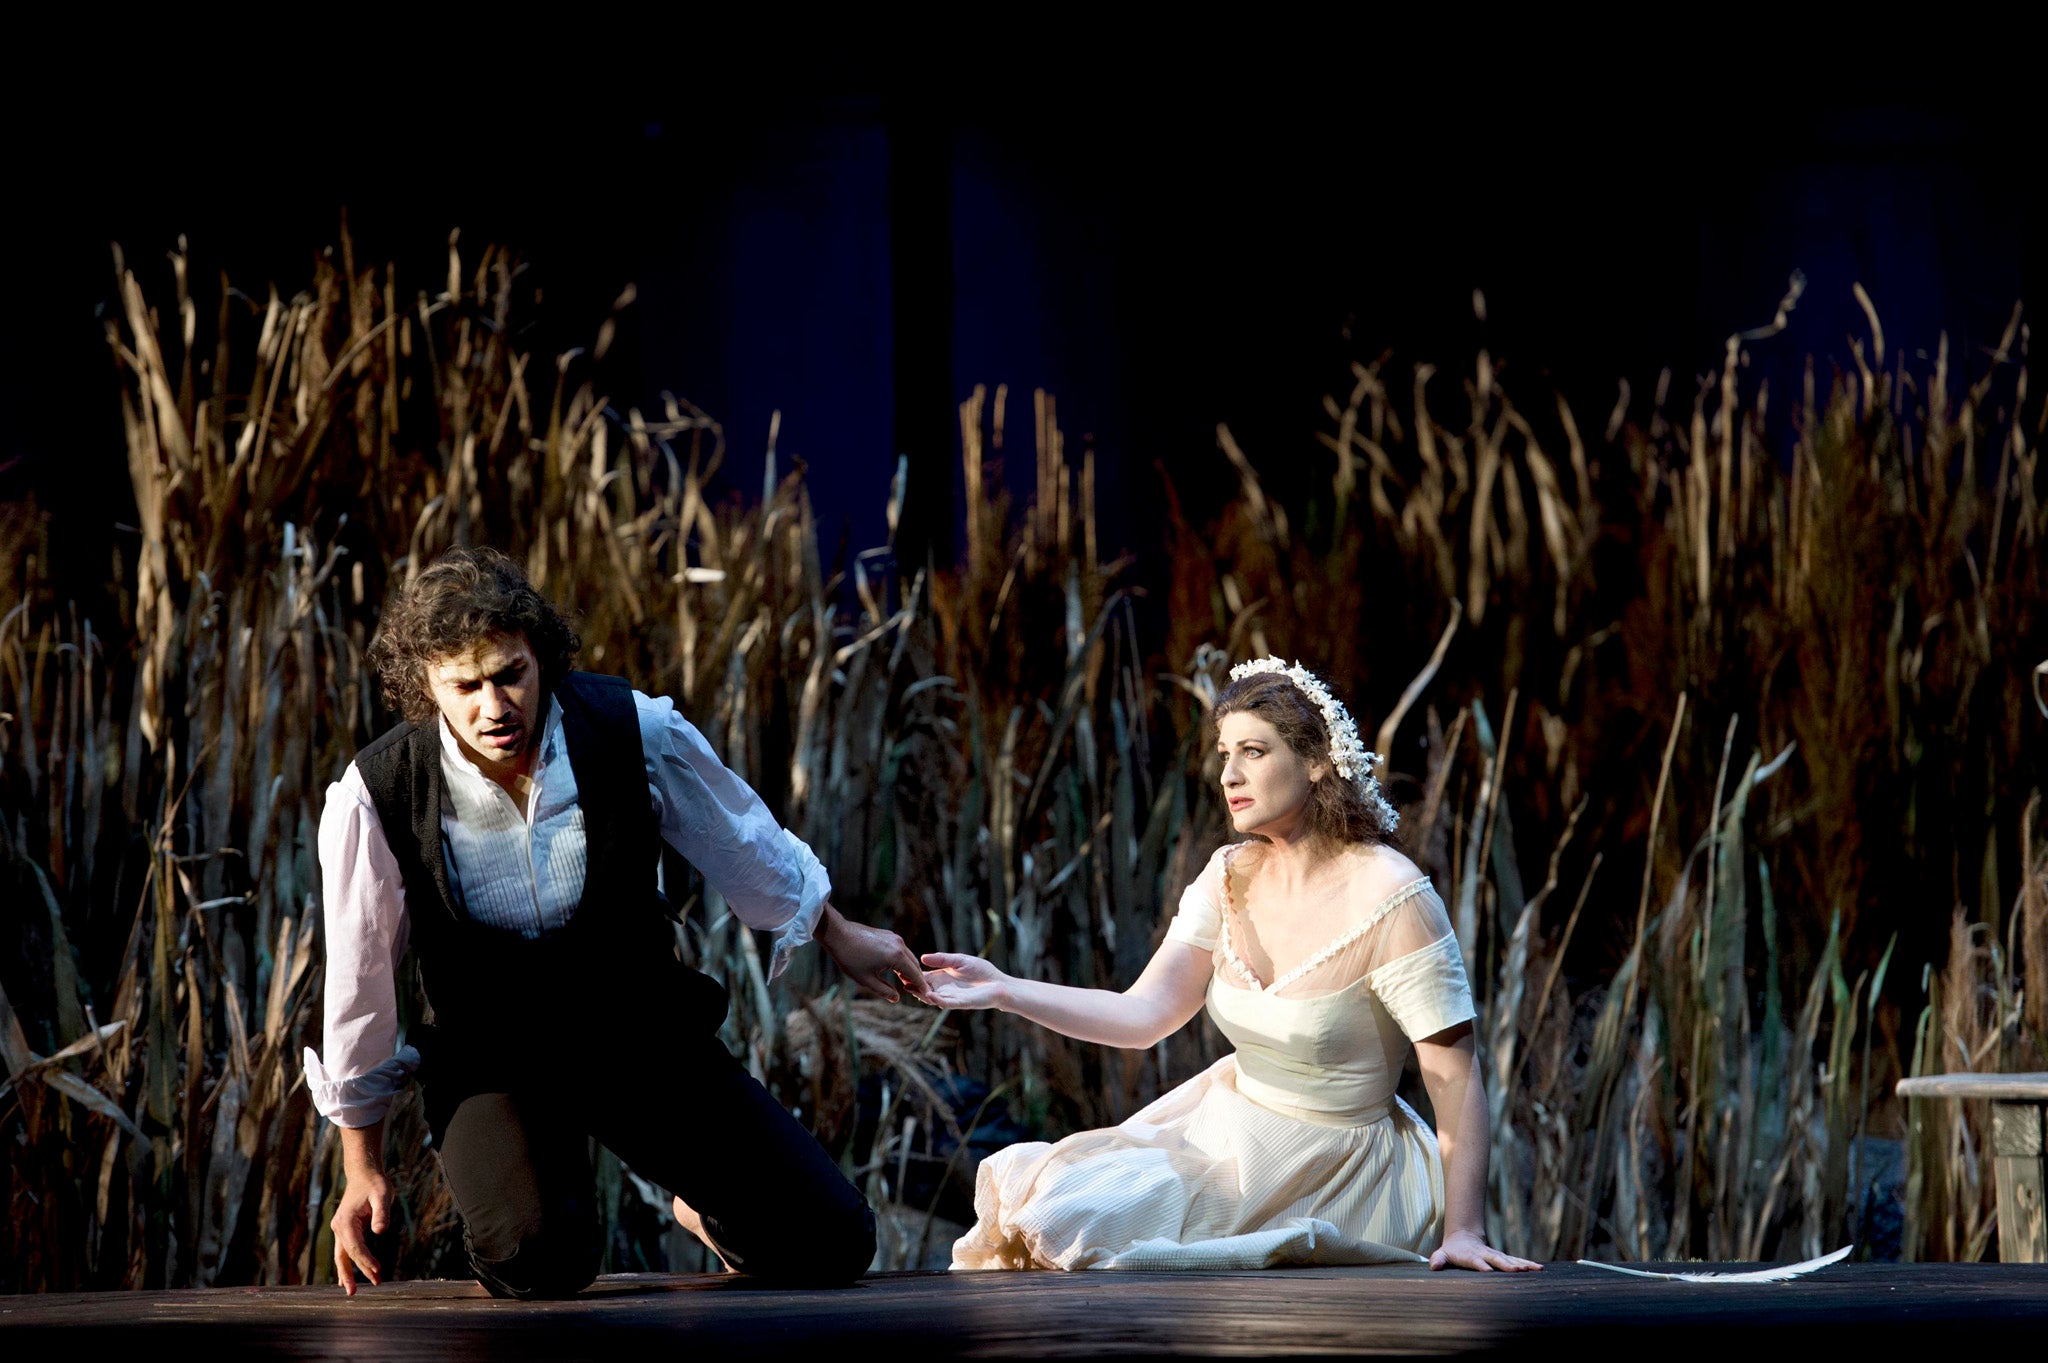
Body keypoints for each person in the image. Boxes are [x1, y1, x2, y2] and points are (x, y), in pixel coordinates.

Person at [303, 547, 930, 1298]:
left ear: (541, 656)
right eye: (465, 686)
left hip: (638, 1030)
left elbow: (743, 841)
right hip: (494, 1057)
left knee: (831, 1241)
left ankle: (705, 1206)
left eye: (510, 674)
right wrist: (360, 1163)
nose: (493, 706)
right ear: (429, 686)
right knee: (539, 1262)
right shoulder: (379, 793)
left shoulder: (631, 729)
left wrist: (838, 931)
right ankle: (536, 1190)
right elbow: (361, 982)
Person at [922, 657, 1541, 1272]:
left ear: (1319, 760)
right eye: (1224, 754)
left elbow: (1454, 1077)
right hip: (1226, 1135)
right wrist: (1004, 989)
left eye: (1254, 751)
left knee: (1110, 1240)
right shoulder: (1228, 875)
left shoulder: (1392, 896)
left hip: (1340, 1168)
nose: (1230, 774)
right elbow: (1144, 1016)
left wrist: (1464, 1230)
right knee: (1049, 1205)